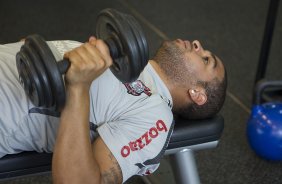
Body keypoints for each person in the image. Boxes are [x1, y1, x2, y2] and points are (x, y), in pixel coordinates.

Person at [0, 36, 227, 183]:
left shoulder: (155, 115)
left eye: (206, 59)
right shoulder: (123, 58)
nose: (198, 44)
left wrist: (78, 87)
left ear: (197, 94)